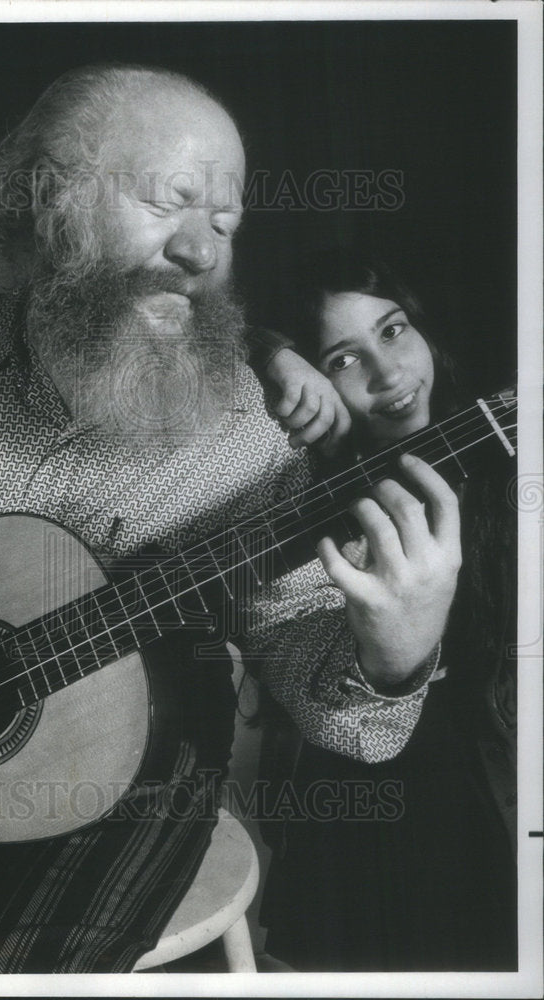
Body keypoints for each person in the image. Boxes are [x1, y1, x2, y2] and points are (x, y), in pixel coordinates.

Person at [0, 66, 461, 974]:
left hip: (139, 782)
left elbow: (340, 714)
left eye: (224, 223)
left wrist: (397, 651)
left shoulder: (260, 437)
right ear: (49, 199)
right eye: (169, 202)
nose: (202, 251)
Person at [256, 250, 517, 971]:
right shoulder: (303, 497)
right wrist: (271, 354)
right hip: (382, 779)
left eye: (395, 332)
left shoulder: (503, 451)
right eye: (343, 359)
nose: (389, 374)